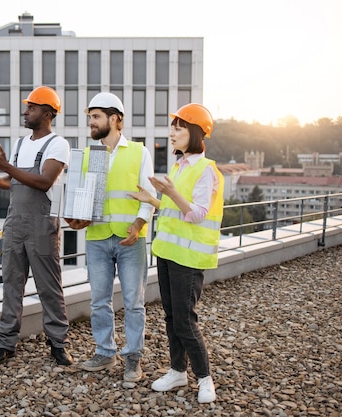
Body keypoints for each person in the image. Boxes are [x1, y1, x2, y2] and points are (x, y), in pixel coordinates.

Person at [0, 86, 73, 367]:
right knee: (11, 285)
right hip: (14, 222)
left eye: (32, 107)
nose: (26, 112)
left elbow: (43, 182)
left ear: (48, 113)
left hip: (42, 223)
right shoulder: (19, 144)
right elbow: (18, 182)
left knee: (49, 287)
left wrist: (6, 167)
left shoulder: (57, 144)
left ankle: (58, 344)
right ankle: (5, 344)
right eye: (27, 107)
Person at [128, 103, 224, 403]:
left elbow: (196, 213)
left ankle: (205, 378)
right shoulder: (180, 166)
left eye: (179, 127)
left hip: (189, 259)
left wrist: (170, 193)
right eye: (173, 127)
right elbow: (175, 209)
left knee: (185, 320)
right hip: (168, 254)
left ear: (195, 133)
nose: (172, 132)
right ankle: (177, 371)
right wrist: (154, 201)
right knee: (171, 317)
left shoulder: (206, 169)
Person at [65, 92, 156, 382]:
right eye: (89, 117)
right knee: (99, 301)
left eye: (95, 117)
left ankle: (132, 358)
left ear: (115, 118)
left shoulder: (140, 152)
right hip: (97, 238)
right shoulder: (89, 155)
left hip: (131, 239)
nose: (90, 122)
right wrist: (76, 219)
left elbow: (149, 196)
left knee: (133, 302)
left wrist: (140, 224)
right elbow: (80, 197)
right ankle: (105, 353)